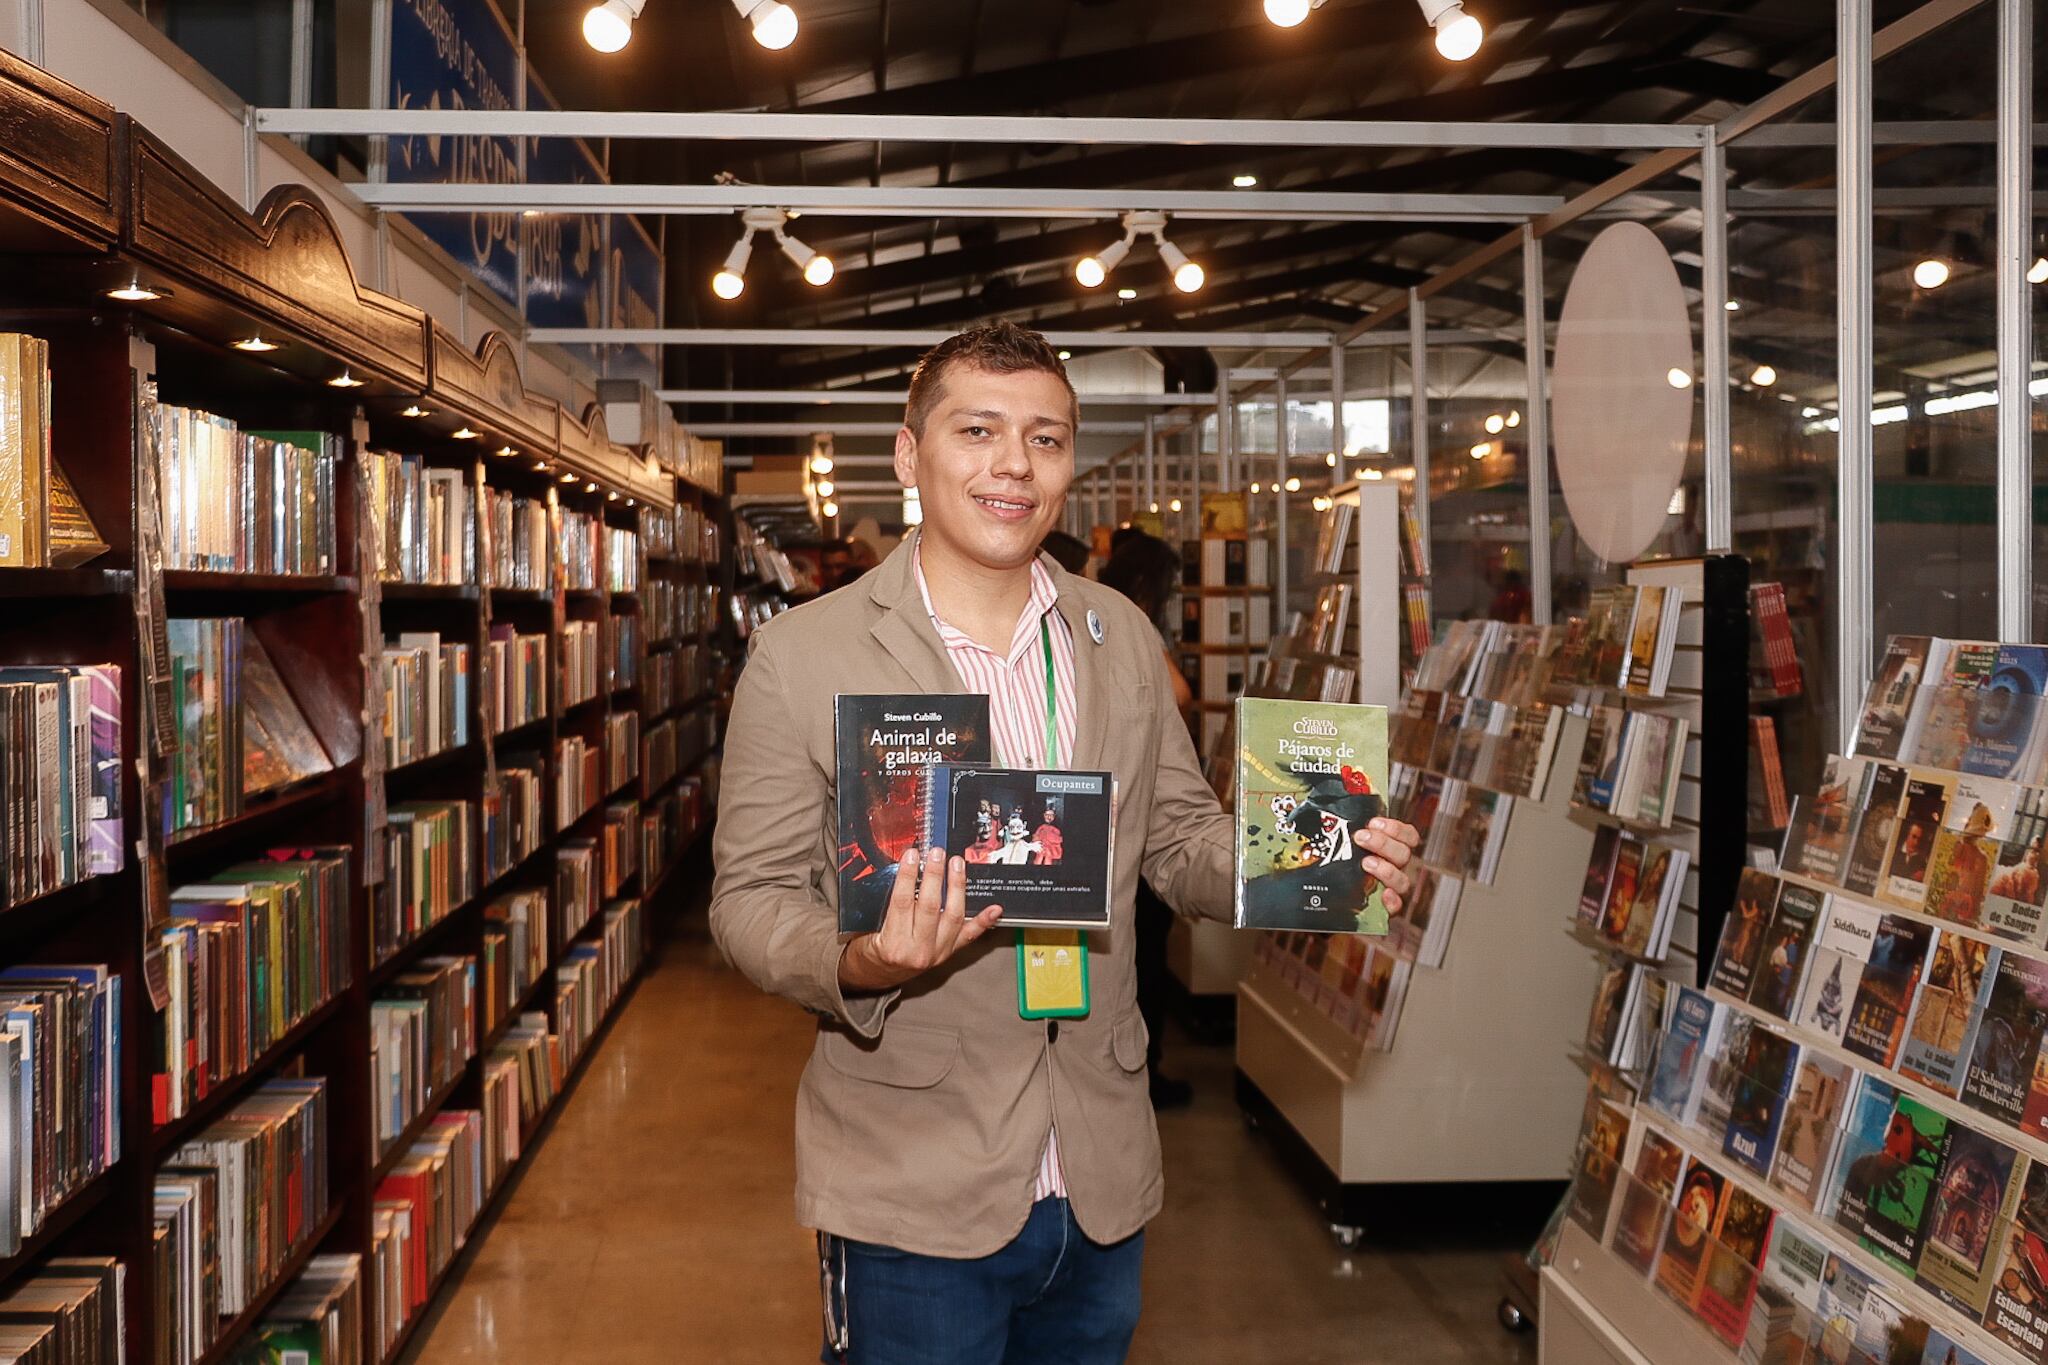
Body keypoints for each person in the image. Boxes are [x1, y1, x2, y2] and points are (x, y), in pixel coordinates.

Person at [709, 320, 1419, 1365]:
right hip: (914, 1180)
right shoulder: (802, 654)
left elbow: (1176, 838)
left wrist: (1314, 856)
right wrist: (862, 959)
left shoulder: (1116, 635)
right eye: (978, 430)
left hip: (1097, 1171)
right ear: (911, 454)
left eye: (1044, 439)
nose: (1012, 465)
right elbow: (751, 902)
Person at [1093, 529, 1196, 1107]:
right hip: (1129, 818)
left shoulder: (1102, 616)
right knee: (1145, 947)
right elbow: (1177, 691)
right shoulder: (1130, 623)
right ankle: (1149, 1067)